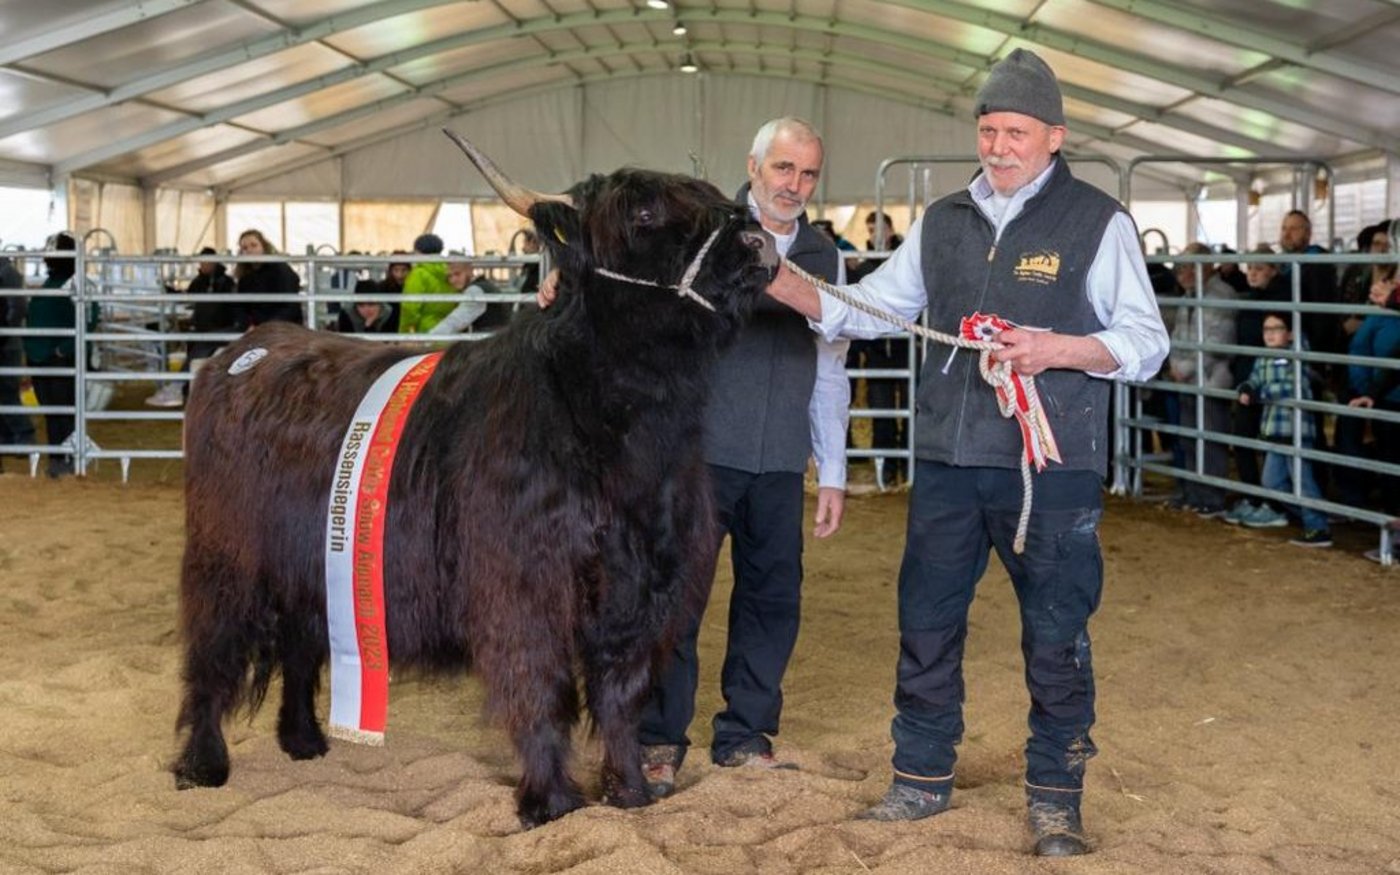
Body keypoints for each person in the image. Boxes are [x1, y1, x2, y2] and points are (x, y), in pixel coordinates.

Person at [765, 49, 1170, 856]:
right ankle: (919, 777)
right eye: (988, 130)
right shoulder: (945, 219)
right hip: (949, 461)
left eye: (1016, 131)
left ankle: (1056, 798)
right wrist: (774, 278)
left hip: (1050, 468)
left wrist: (1056, 348)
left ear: (1054, 136)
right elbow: (871, 307)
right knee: (926, 622)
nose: (999, 145)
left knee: (1056, 632)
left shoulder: (1098, 220)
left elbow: (1146, 342)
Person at [637, 117, 850, 795]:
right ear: (753, 166)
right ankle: (657, 738)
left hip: (780, 460)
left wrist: (833, 471)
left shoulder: (824, 255)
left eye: (808, 174)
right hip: (699, 455)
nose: (795, 185)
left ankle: (745, 735)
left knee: (772, 599)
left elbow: (832, 366)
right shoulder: (703, 236)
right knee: (677, 596)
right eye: (783, 168)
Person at [1236, 313, 1333, 547]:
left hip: (1297, 429)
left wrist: (1260, 393)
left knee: (1303, 482)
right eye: (1266, 329)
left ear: (1290, 334)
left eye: (1277, 328)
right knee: (1272, 482)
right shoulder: (1263, 357)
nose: (1270, 334)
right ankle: (1312, 517)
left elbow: (1291, 387)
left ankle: (1317, 527)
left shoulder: (1297, 357)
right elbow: (1255, 379)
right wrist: (1247, 387)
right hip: (1274, 429)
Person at [1222, 247, 1291, 528]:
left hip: (1272, 381)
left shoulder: (1283, 298)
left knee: (1274, 444)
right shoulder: (1248, 299)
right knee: (1244, 439)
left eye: (1259, 268)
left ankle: (1274, 504)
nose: (1252, 273)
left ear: (1273, 270)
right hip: (1248, 380)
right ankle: (1253, 497)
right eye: (1249, 267)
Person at [1166, 243, 1237, 516]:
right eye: (1180, 268)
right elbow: (1177, 336)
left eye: (1188, 267)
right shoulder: (1189, 296)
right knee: (1189, 438)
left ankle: (1211, 497)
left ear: (1205, 267)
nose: (1181, 273)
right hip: (1188, 379)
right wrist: (1176, 364)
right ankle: (1193, 492)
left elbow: (1218, 343)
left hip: (1211, 380)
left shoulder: (1222, 296)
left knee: (1209, 438)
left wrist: (1183, 367)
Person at [146, 246, 239, 408]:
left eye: (207, 262)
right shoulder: (198, 281)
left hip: (220, 330)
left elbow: (232, 308)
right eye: (202, 262)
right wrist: (171, 292)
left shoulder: (226, 282)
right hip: (202, 330)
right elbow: (188, 297)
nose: (203, 265)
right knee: (193, 353)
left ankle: (178, 387)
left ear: (215, 262)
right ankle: (186, 392)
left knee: (205, 357)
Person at [23, 233, 84, 478]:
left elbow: (87, 320)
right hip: (40, 357)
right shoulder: (52, 283)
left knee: (63, 411)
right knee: (52, 411)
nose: (48, 257)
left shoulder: (75, 283)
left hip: (58, 358)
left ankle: (68, 459)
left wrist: (64, 349)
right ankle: (57, 458)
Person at [1, 254, 37, 458]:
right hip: (7, 340)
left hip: (7, 343)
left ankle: (24, 435)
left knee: (7, 392)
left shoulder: (7, 272)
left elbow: (19, 306)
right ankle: (8, 437)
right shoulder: (7, 271)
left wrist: (5, 332)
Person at [233, 229, 303, 329]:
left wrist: (268, 327)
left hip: (282, 328)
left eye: (254, 245)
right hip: (255, 329)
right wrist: (247, 325)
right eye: (245, 248)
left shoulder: (281, 270)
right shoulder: (245, 277)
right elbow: (241, 307)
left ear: (264, 247)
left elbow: (291, 307)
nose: (249, 250)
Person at [398, 233, 457, 333]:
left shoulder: (418, 274)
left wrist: (405, 332)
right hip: (448, 329)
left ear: (418, 251)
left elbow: (410, 307)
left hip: (424, 331)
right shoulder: (450, 271)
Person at [428, 260, 497, 335]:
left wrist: (429, 337)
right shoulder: (484, 286)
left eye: (457, 274)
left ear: (470, 271)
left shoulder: (475, 290)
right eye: (449, 276)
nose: (453, 280)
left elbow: (457, 320)